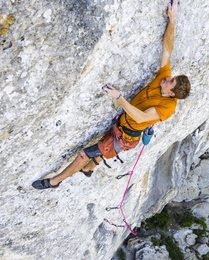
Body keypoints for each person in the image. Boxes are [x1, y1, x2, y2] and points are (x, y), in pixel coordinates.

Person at [32, 1, 190, 190]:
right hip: (121, 126)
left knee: (85, 154)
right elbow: (167, 49)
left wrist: (119, 97)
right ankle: (88, 170)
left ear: (171, 93)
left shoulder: (168, 107)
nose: (166, 78)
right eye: (170, 78)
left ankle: (54, 182)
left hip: (127, 136)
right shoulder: (163, 79)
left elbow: (140, 117)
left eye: (170, 81)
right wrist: (172, 20)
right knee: (96, 155)